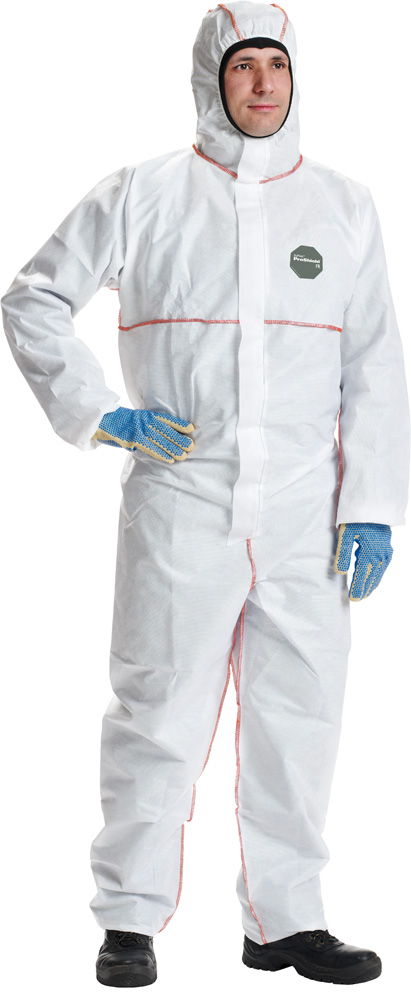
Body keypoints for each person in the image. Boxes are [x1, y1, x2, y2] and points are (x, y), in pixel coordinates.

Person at [1, 0, 409, 989]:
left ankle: (285, 921)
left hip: (307, 512)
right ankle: (128, 918)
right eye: (241, 65)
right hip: (182, 497)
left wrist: (371, 503)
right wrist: (102, 413)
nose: (262, 82)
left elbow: (375, 363)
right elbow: (34, 298)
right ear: (209, 79)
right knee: (158, 709)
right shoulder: (142, 192)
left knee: (299, 719)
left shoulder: (345, 206)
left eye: (277, 63)